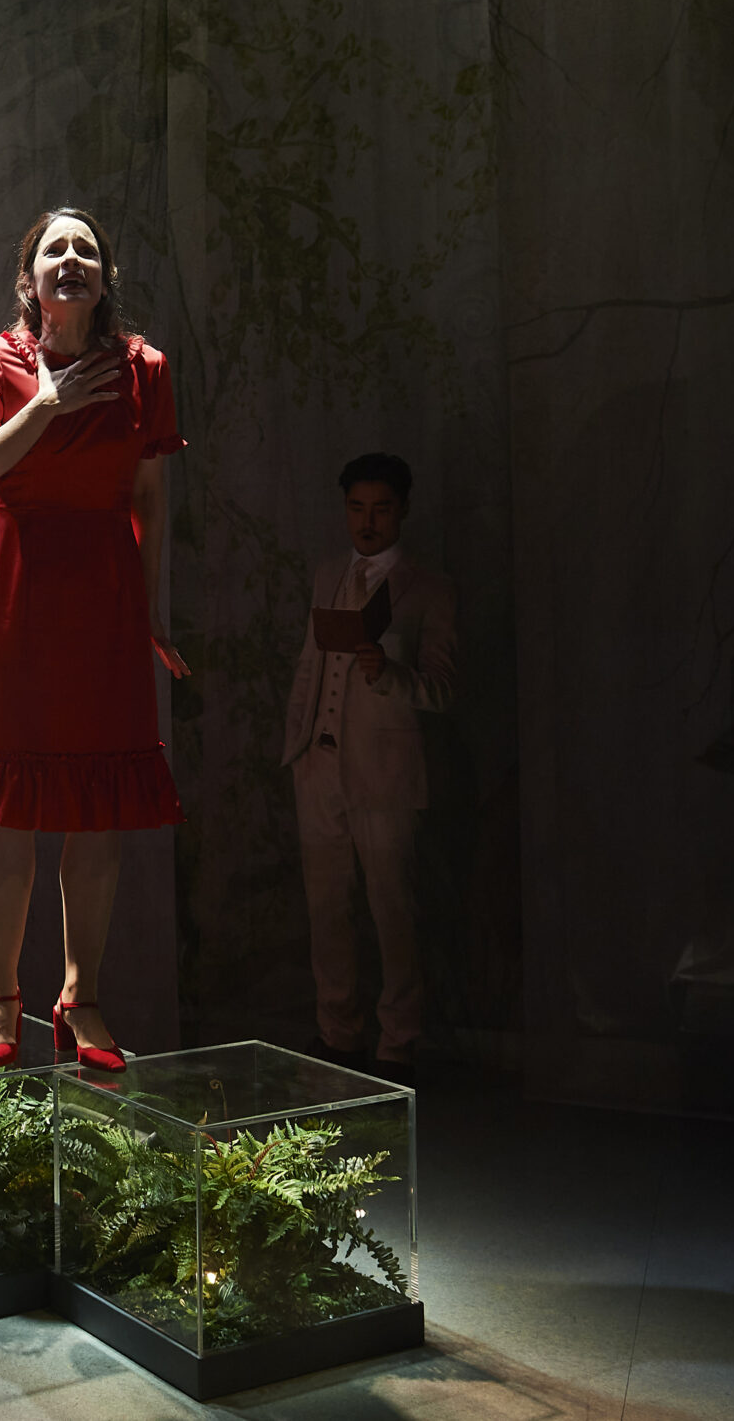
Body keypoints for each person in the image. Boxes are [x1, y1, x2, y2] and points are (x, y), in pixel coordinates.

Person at [0, 207, 190, 1073]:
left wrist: (150, 612)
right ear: (29, 279)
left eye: (87, 249)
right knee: (7, 805)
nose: (72, 258)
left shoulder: (143, 369)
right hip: (17, 592)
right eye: (55, 248)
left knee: (100, 808)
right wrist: (43, 403)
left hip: (106, 597)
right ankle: (1, 993)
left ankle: (82, 995)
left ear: (104, 277)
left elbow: (151, 500)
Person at [281, 453, 458, 1068]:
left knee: (393, 910)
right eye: (357, 507)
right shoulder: (329, 573)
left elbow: (443, 687)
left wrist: (393, 676)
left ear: (402, 509)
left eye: (381, 508)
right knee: (327, 908)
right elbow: (310, 667)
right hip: (319, 765)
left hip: (385, 773)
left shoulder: (427, 588)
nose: (368, 521)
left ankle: (399, 1043)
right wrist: (296, 747)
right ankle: (338, 1033)